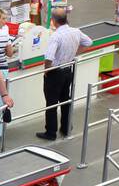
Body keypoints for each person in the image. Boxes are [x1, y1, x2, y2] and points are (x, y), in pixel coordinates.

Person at [35, 10, 89, 142]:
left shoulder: (56, 36)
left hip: (55, 72)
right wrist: (74, 54)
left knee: (51, 103)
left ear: (53, 21)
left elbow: (49, 57)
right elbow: (88, 42)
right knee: (66, 100)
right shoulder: (75, 31)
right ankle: (65, 128)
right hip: (68, 70)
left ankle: (51, 132)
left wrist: (46, 70)